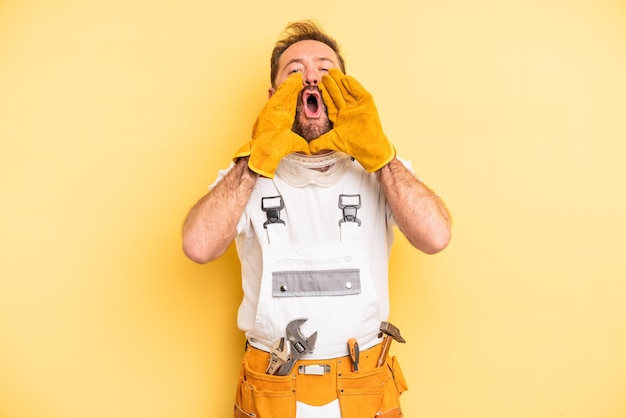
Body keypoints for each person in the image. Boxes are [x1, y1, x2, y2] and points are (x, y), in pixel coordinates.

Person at [182, 20, 451, 418]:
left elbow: (436, 236)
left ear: (348, 91)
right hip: (270, 390)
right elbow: (197, 245)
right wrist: (257, 158)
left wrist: (381, 157)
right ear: (273, 96)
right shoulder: (244, 176)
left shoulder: (383, 170)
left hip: (365, 386)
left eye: (326, 71)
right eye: (294, 72)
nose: (311, 78)